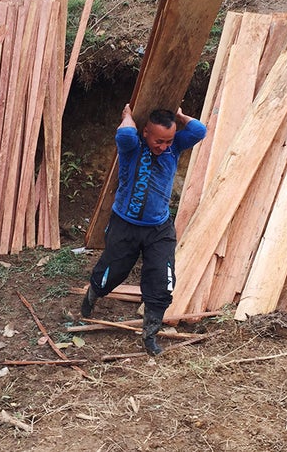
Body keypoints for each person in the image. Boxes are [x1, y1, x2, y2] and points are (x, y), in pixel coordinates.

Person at [81, 104, 206, 355]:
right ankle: (92, 297)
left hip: (159, 228)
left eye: (168, 141)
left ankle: (150, 335)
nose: (164, 147)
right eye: (159, 140)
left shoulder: (174, 149)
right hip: (125, 224)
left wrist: (179, 116)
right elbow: (125, 134)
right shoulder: (132, 149)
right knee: (112, 272)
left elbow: (199, 130)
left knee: (162, 281)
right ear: (146, 132)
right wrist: (127, 116)